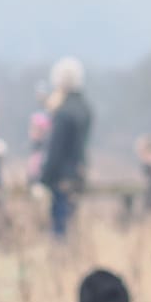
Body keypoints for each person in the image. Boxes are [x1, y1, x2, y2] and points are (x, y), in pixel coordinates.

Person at [40, 58, 93, 238]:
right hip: (77, 173)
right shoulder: (85, 108)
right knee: (72, 221)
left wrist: (44, 177)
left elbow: (55, 149)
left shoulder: (63, 113)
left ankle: (60, 260)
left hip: (60, 177)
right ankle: (71, 258)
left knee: (60, 228)